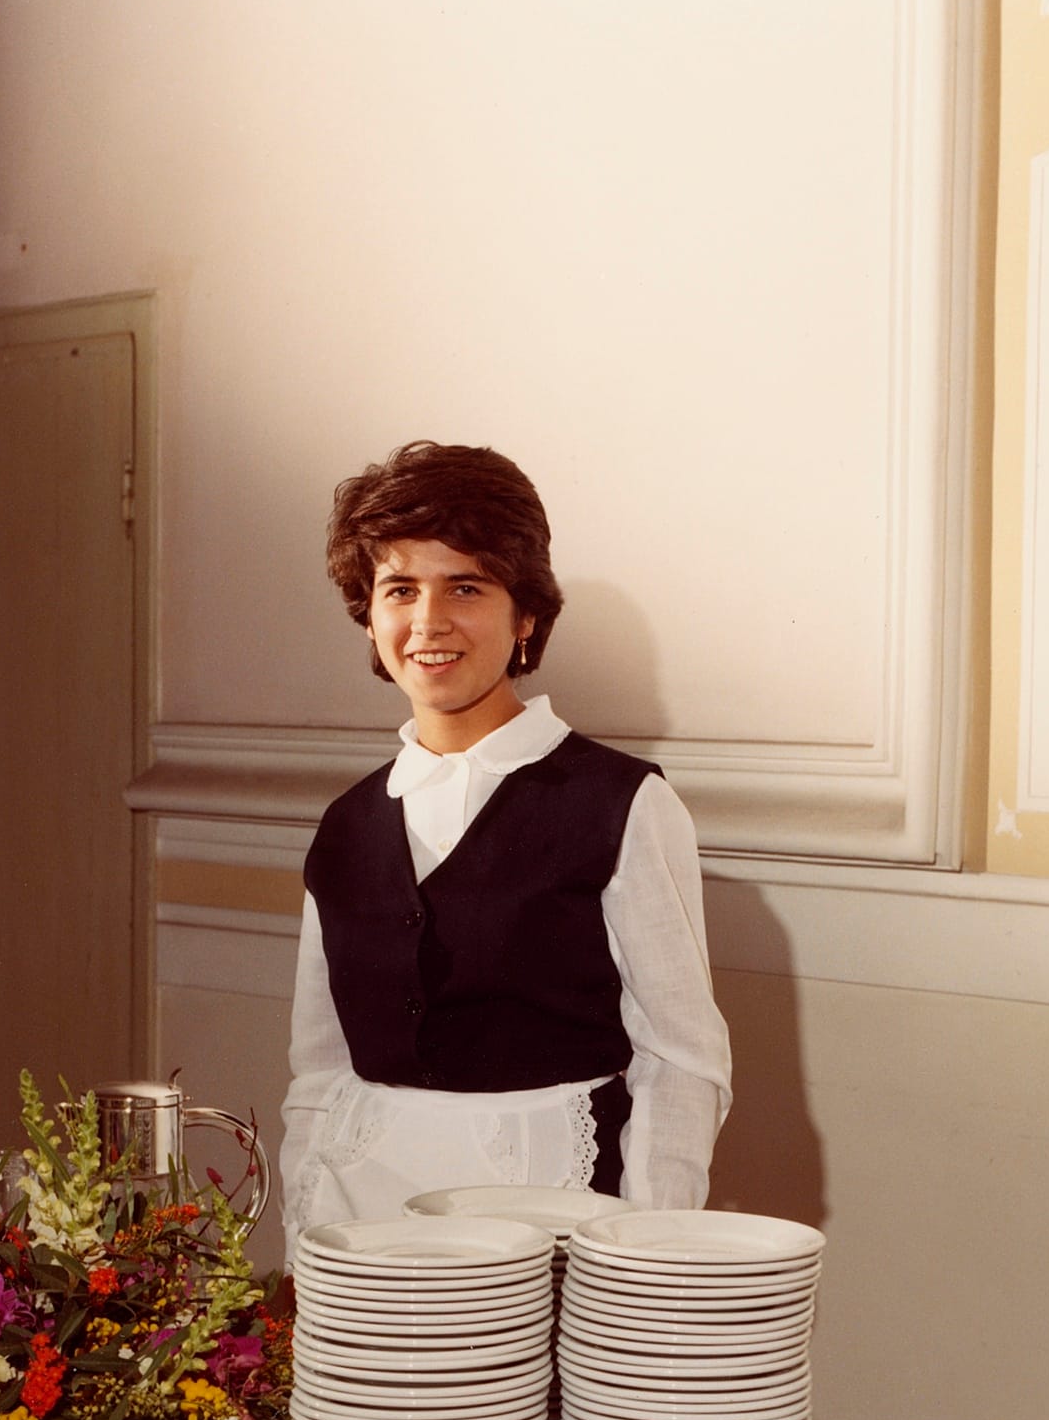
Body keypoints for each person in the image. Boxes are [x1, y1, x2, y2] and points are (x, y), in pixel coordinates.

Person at [279, 440, 731, 1261]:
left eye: (466, 586)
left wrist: (644, 1255)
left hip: (549, 1213)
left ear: (526, 615)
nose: (429, 622)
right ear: (368, 613)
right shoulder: (345, 825)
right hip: (362, 1214)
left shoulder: (622, 802)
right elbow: (318, 1069)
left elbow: (681, 1060)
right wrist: (306, 1235)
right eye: (400, 589)